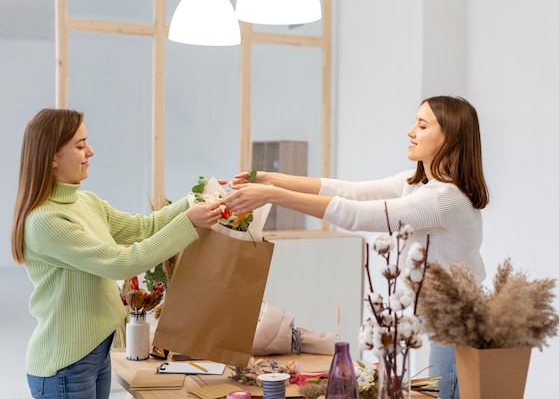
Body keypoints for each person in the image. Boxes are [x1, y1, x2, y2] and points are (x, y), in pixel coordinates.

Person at [223, 95, 489, 399]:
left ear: (450, 138)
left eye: (422, 125)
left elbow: (356, 215)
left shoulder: (444, 198)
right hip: (429, 313)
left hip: (456, 321)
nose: (410, 131)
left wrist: (271, 194)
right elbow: (347, 191)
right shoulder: (417, 183)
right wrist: (271, 179)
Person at [11, 108, 223, 399]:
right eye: (80, 145)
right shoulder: (46, 221)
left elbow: (143, 227)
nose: (91, 151)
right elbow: (121, 264)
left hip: (95, 352)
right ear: (52, 157)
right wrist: (189, 223)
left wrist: (197, 199)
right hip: (65, 365)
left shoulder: (86, 202)